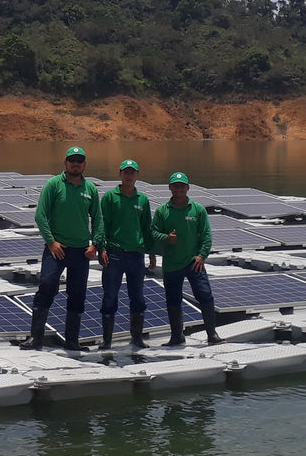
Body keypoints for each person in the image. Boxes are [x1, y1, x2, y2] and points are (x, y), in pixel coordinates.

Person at [21, 146, 100, 351]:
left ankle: (72, 342)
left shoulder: (90, 189)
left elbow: (99, 219)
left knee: (77, 294)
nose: (76, 164)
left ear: (84, 164)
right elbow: (40, 215)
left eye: (79, 161)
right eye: (72, 160)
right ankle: (35, 338)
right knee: (47, 285)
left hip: (81, 251)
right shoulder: (53, 185)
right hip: (57, 249)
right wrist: (51, 242)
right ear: (65, 163)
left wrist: (96, 245)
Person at [149, 172, 222, 347]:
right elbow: (153, 232)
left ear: (188, 188)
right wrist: (166, 237)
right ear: (170, 188)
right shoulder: (162, 211)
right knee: (173, 300)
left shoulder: (198, 209)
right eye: (175, 186)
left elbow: (206, 235)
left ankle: (212, 334)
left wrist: (202, 255)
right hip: (171, 263)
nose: (179, 189)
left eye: (182, 186)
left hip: (193, 262)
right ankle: (177, 336)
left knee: (205, 296)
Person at [93, 159, 152, 350]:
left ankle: (137, 338)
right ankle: (107, 341)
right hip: (114, 254)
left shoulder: (142, 200)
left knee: (138, 297)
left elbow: (146, 228)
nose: (129, 175)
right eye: (126, 172)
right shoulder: (110, 197)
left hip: (136, 255)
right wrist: (101, 248)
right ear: (120, 174)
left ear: (137, 175)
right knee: (110, 296)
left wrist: (151, 253)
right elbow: (102, 225)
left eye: (132, 172)